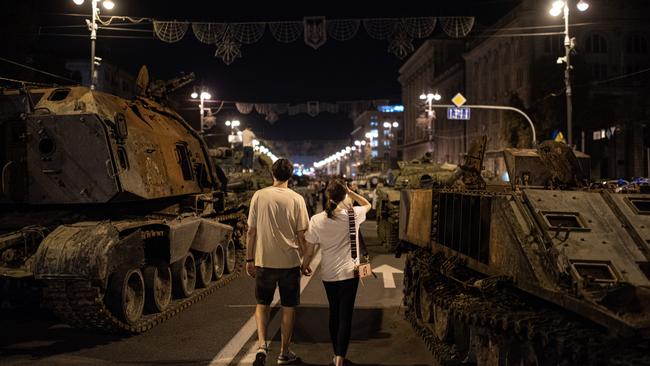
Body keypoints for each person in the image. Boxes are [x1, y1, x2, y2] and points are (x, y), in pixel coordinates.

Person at [301, 178, 372, 366]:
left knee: (334, 312)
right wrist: (351, 192)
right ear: (344, 196)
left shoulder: (317, 219)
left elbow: (309, 250)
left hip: (329, 274)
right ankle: (340, 358)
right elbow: (368, 204)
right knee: (345, 316)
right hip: (350, 274)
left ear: (327, 195)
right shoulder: (353, 214)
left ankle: (335, 353)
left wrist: (304, 265)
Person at [246, 158, 309, 366]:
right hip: (290, 263)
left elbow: (251, 231)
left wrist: (249, 259)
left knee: (262, 304)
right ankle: (284, 352)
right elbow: (302, 235)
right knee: (289, 307)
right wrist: (305, 259)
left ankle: (262, 345)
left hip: (264, 260)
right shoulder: (297, 199)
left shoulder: (259, 196)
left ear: (272, 174)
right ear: (290, 176)